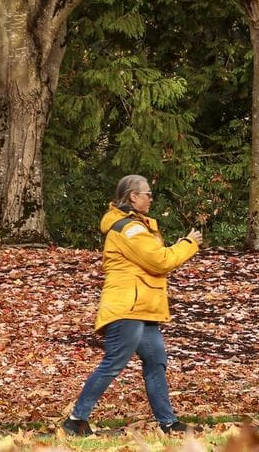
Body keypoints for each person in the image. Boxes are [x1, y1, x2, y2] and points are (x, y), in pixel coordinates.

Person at [62, 175, 202, 436]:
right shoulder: (129, 229)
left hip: (142, 308)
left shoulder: (137, 226)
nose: (151, 198)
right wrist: (188, 243)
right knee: (114, 362)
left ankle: (168, 422)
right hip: (128, 307)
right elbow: (159, 260)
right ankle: (76, 419)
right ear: (132, 197)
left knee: (156, 361)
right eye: (147, 193)